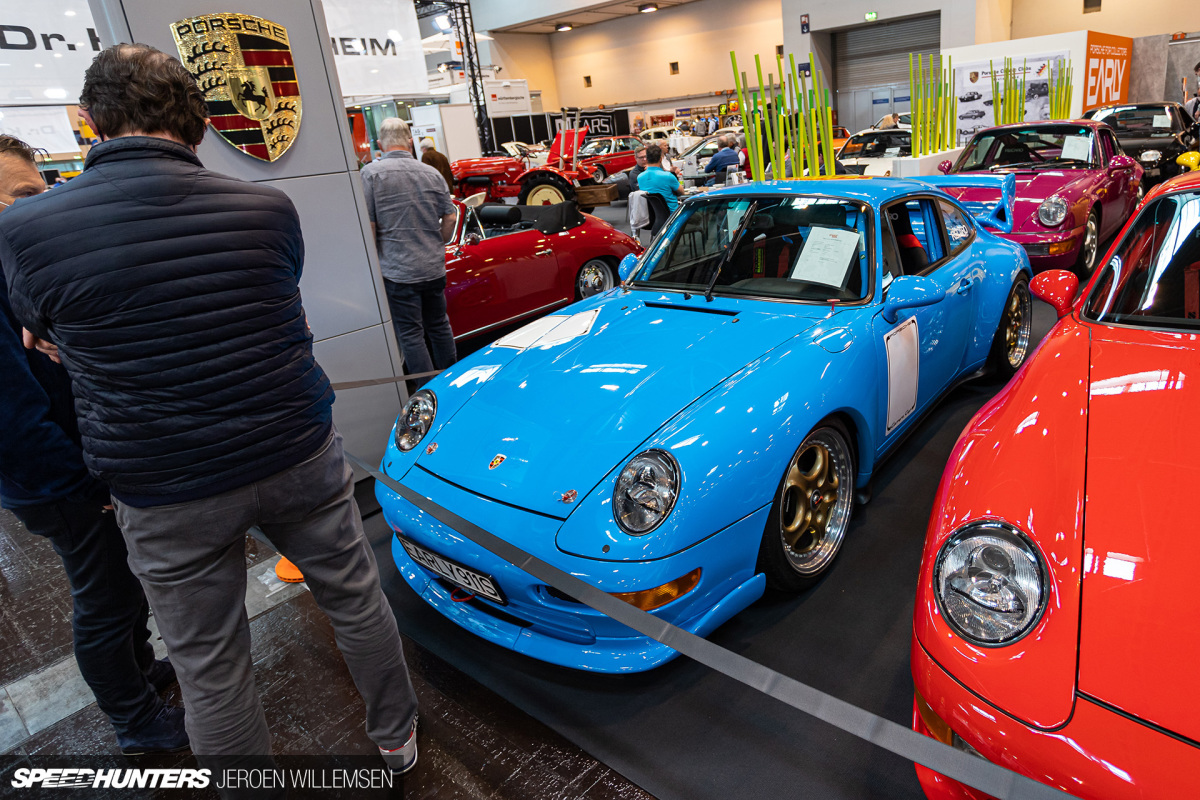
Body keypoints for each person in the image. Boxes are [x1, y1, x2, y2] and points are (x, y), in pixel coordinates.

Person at [0, 45, 420, 791]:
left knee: (209, 661)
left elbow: (41, 333)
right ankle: (397, 741)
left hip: (164, 483)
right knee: (355, 600)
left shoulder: (29, 230)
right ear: (197, 123)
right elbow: (267, 297)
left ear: (92, 121)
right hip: (293, 447)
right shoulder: (265, 206)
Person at [0, 135, 187, 757]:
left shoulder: (17, 271)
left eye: (34, 192)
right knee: (103, 599)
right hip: (60, 482)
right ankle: (136, 722)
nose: (30, 208)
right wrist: (85, 487)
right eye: (18, 196)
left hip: (84, 465)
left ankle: (141, 671)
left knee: (123, 587)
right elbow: (14, 423)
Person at [361, 117, 458, 389]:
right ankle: (453, 382)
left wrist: (375, 260)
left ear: (380, 144)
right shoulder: (431, 173)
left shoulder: (371, 174)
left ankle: (428, 393)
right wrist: (437, 241)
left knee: (411, 334)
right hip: (432, 268)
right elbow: (450, 218)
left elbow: (370, 224)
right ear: (409, 142)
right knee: (439, 326)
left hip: (398, 271)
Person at [638, 143, 683, 212]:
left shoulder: (640, 177)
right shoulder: (668, 176)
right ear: (661, 159)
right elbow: (682, 192)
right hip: (673, 216)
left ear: (646, 159)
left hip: (653, 217)